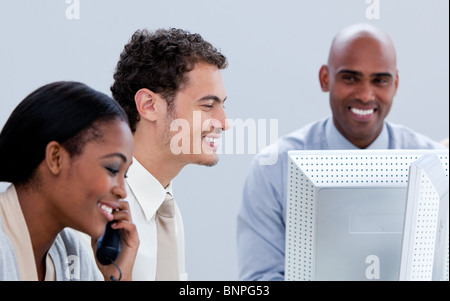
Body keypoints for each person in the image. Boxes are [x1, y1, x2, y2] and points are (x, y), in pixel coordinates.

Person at [237, 23, 446, 281]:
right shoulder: (272, 168)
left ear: (395, 84)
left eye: (380, 80)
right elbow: (260, 279)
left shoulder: (435, 165)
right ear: (325, 78)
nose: (365, 95)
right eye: (350, 78)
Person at [110, 28, 229, 280]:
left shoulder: (166, 209)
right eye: (208, 105)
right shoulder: (99, 210)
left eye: (222, 105)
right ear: (149, 105)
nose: (223, 122)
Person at [0, 81, 139, 281]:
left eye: (124, 175)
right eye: (112, 169)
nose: (122, 191)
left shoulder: (71, 254)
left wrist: (117, 277)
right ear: (56, 158)